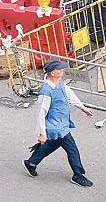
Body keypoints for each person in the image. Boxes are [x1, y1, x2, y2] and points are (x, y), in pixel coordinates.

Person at [23, 59, 94, 187]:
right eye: (60, 69)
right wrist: (42, 133)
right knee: (72, 150)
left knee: (51, 145)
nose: (62, 71)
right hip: (56, 127)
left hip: (61, 123)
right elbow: (40, 113)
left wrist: (82, 107)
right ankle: (78, 175)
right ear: (52, 72)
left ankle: (31, 163)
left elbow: (69, 95)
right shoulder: (46, 91)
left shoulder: (59, 82)